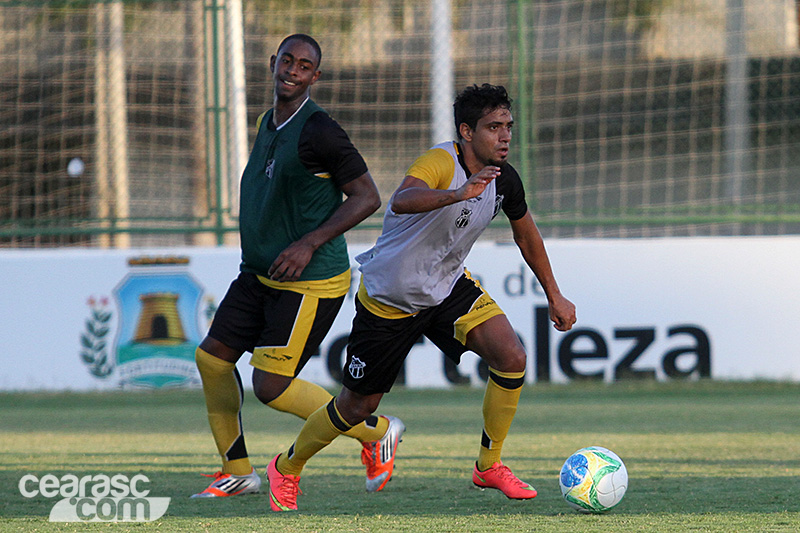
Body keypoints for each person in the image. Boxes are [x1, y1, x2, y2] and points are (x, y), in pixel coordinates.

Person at [265, 83, 577, 511]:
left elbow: (526, 233)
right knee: (356, 407)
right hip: (391, 296)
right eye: (493, 127)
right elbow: (403, 198)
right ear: (466, 132)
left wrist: (555, 295)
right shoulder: (439, 162)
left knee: (512, 357)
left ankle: (488, 465)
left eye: (508, 126)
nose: (505, 136)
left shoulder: (505, 179)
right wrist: (456, 194)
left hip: (446, 286)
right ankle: (287, 466)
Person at [192, 34, 405, 499]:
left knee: (270, 385)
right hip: (259, 274)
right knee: (211, 360)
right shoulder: (267, 121)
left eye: (304, 65)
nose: (292, 70)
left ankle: (376, 431)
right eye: (286, 60)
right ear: (272, 64)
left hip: (310, 281)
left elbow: (368, 196)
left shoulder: (320, 130)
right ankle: (239, 471)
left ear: (315, 77)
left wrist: (308, 243)